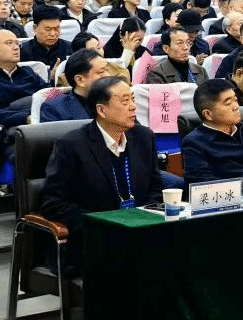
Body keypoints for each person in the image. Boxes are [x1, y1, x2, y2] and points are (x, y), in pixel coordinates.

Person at [41, 77, 164, 272]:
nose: (133, 107)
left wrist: (143, 218)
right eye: (125, 101)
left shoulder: (143, 136)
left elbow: (155, 187)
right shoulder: (71, 145)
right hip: (93, 239)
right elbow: (54, 204)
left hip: (140, 232)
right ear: (101, 110)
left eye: (133, 99)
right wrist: (107, 224)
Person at [40, 49, 112, 122]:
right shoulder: (55, 108)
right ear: (80, 80)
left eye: (107, 70)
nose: (108, 75)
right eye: (101, 72)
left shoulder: (115, 99)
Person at [20, 5, 72, 79]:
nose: (53, 34)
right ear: (35, 28)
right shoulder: (22, 51)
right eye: (48, 29)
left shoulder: (70, 48)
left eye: (56, 29)